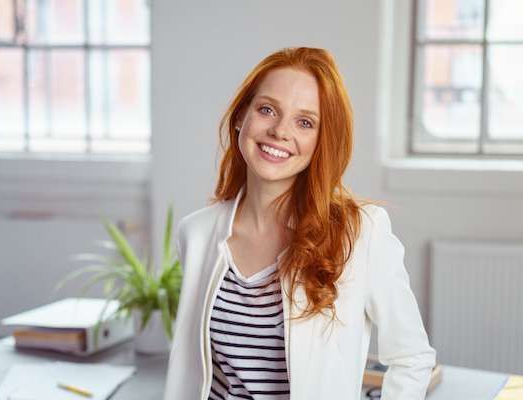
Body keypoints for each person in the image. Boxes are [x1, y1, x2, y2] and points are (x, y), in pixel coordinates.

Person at [163, 47, 436, 400]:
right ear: (240, 117)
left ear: (320, 141)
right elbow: (199, 370)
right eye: (267, 110)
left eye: (304, 122)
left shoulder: (360, 233)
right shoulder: (197, 234)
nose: (279, 131)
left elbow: (412, 357)